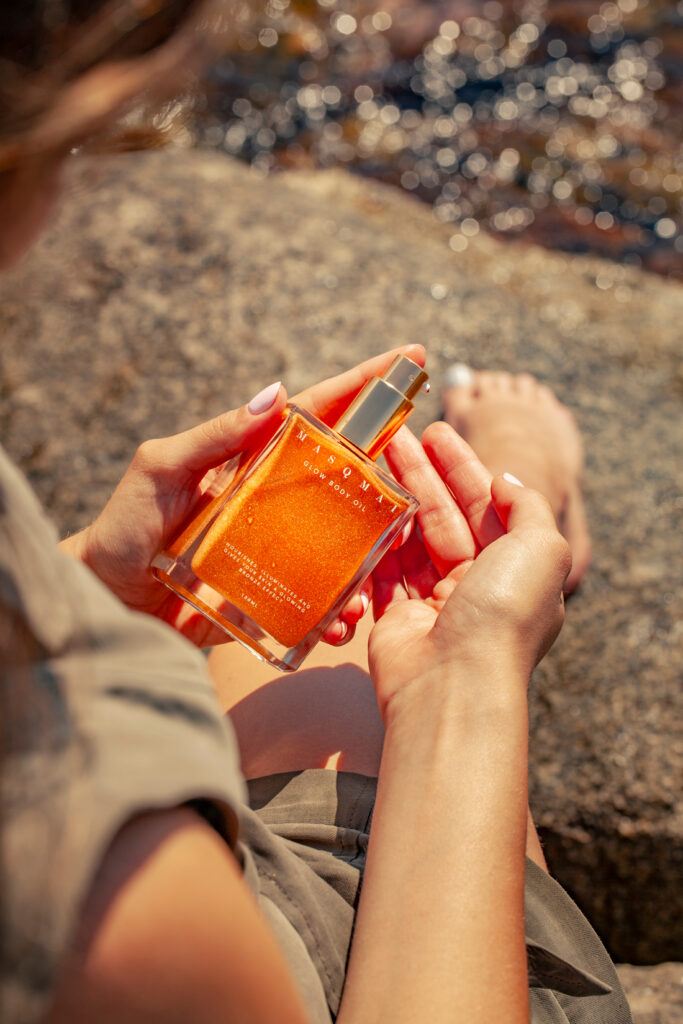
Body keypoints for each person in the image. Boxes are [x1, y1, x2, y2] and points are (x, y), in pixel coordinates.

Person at [0, 2, 632, 1022]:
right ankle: (533, 499)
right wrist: (461, 693)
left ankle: (520, 507)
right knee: (373, 646)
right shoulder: (114, 906)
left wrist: (81, 587)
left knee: (322, 611)